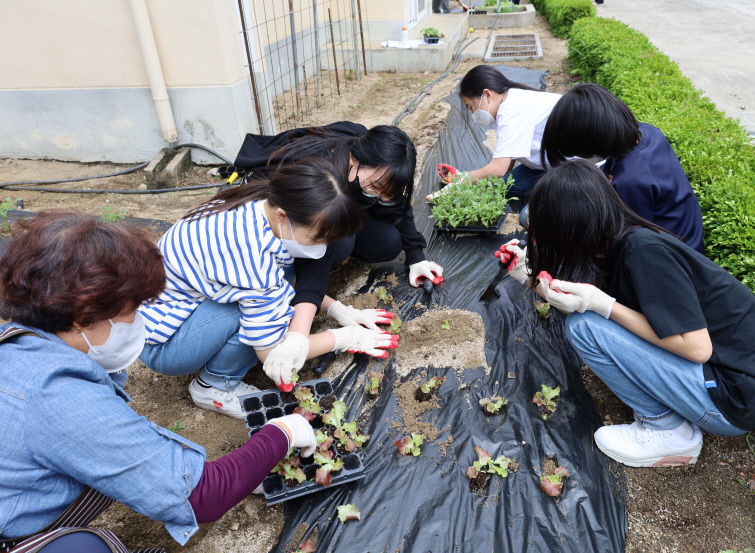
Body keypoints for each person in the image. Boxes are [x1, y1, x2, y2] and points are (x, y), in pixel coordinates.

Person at [0, 212, 317, 551]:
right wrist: (282, 433)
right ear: (82, 319)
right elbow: (203, 495)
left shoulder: (20, 343)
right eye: (131, 312)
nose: (138, 321)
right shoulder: (58, 395)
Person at [500, 160, 755, 467]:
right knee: (589, 317)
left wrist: (602, 305)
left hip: (733, 396)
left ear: (572, 226)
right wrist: (527, 277)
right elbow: (585, 293)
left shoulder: (643, 251)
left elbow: (697, 348)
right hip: (725, 374)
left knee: (585, 326)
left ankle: (667, 429)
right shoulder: (615, 240)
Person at [139, 159, 399, 419]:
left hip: (166, 311)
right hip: (165, 345)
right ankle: (214, 385)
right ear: (283, 216)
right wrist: (345, 338)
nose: (322, 247)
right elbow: (273, 352)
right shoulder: (252, 259)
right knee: (254, 311)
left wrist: (337, 309)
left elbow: (279, 281)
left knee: (276, 292)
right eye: (318, 237)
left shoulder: (259, 204)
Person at [233, 123, 442, 350]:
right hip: (279, 219)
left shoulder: (367, 156)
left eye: (386, 193)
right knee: (338, 242)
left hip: (327, 209)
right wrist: (300, 335)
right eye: (376, 186)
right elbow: (316, 263)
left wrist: (416, 255)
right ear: (354, 160)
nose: (380, 195)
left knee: (388, 242)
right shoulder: (323, 175)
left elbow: (398, 205)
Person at [539, 82, 705, 253]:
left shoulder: (631, 180)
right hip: (684, 242)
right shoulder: (645, 132)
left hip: (673, 260)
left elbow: (627, 243)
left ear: (590, 141)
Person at [431, 64, 561, 200]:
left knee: (523, 206)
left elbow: (498, 169)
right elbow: (507, 158)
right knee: (508, 187)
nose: (473, 114)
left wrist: (463, 181)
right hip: (550, 161)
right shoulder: (513, 98)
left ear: (487, 94)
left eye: (471, 107)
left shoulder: (510, 112)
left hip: (573, 167)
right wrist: (470, 178)